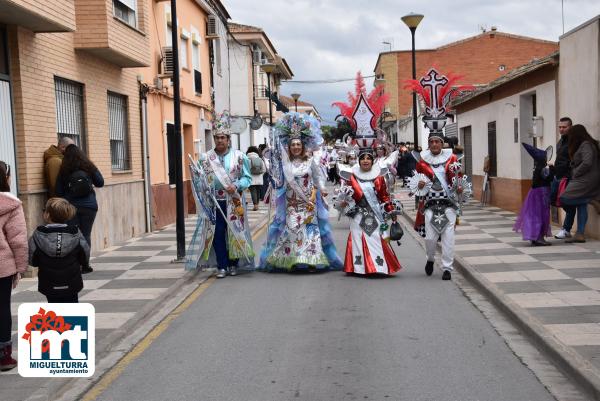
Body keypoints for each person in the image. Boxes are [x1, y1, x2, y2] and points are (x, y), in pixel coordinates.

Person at [406, 68, 473, 280]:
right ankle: (430, 258)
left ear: (442, 142)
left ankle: (447, 268)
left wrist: (458, 179)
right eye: (431, 141)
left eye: (437, 141)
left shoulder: (452, 158)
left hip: (448, 205)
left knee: (449, 237)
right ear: (429, 143)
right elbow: (418, 183)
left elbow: (458, 180)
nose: (434, 144)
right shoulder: (421, 159)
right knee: (431, 239)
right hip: (429, 205)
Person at [332, 72, 401, 276]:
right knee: (357, 237)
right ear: (358, 159)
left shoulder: (378, 176)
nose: (365, 161)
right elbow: (344, 196)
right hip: (357, 215)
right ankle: (358, 267)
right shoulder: (350, 174)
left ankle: (379, 267)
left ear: (372, 160)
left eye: (368, 158)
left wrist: (393, 215)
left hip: (375, 214)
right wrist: (344, 204)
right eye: (362, 158)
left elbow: (384, 197)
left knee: (376, 238)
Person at [260, 113, 342, 272]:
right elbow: (281, 182)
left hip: (309, 202)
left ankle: (310, 260)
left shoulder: (311, 161)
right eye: (293, 145)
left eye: (298, 144)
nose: (296, 147)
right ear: (289, 147)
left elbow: (318, 179)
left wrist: (322, 190)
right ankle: (294, 259)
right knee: (293, 229)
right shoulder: (285, 164)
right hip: (292, 203)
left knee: (311, 230)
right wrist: (273, 183)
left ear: (302, 146)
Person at [188, 111, 254, 278]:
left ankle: (233, 264)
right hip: (214, 202)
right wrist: (202, 186)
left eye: (223, 137)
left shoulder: (239, 157)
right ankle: (222, 265)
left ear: (228, 139)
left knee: (234, 233)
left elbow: (247, 177)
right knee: (217, 234)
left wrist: (237, 185)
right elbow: (200, 180)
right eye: (217, 137)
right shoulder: (205, 158)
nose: (219, 140)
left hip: (234, 201)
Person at [29, 198, 88, 303]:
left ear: (47, 215)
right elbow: (85, 252)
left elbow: (32, 259)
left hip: (48, 282)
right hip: (72, 281)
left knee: (54, 311)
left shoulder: (38, 234)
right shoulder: (75, 233)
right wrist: (83, 264)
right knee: (73, 310)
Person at [56, 144, 104, 274]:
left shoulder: (64, 169)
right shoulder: (89, 166)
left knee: (72, 235)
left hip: (71, 207)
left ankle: (74, 264)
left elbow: (58, 191)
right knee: (85, 234)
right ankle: (85, 264)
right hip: (89, 206)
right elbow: (100, 182)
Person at [0, 161, 27, 371]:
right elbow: (17, 239)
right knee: (2, 309)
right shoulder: (10, 205)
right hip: (2, 267)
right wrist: (20, 268)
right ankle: (4, 357)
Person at [559, 124, 600, 243]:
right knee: (581, 205)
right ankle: (580, 234)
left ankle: (591, 200)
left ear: (576, 135)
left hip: (585, 179)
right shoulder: (586, 144)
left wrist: (576, 172)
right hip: (587, 178)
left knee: (564, 198)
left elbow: (587, 162)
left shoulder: (586, 144)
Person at [513, 143, 554, 246]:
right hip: (542, 194)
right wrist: (553, 169)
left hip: (534, 194)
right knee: (542, 215)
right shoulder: (543, 168)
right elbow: (549, 178)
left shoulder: (537, 167)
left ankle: (534, 237)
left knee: (534, 215)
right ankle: (539, 238)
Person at [553, 117, 574, 239]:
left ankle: (566, 229)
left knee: (568, 203)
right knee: (554, 200)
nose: (561, 129)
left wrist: (569, 173)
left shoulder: (574, 142)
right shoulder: (560, 142)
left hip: (568, 178)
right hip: (557, 177)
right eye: (560, 127)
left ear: (570, 127)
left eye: (564, 127)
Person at [246, 146, 265, 211]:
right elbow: (264, 169)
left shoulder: (247, 159)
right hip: (259, 178)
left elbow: (246, 169)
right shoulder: (260, 159)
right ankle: (257, 204)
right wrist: (260, 174)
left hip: (251, 178)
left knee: (253, 191)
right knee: (258, 191)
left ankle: (255, 205)